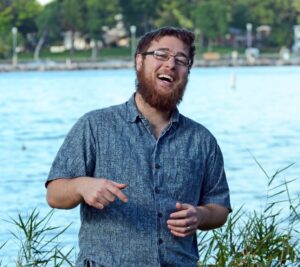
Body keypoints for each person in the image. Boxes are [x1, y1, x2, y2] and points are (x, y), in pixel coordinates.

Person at [46, 26, 231, 267]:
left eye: (181, 60)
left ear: (187, 71)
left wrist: (200, 216)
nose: (171, 65)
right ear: (139, 61)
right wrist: (82, 185)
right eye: (161, 55)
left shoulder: (202, 140)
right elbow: (54, 194)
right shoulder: (94, 125)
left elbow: (220, 207)